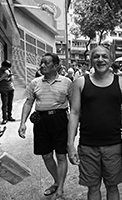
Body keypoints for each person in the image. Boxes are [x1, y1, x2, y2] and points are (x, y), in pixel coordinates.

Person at [67, 44, 122, 200]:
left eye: (104, 56)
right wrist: (70, 144)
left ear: (111, 60)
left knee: (112, 186)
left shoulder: (121, 82)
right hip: (88, 146)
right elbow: (74, 113)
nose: (100, 59)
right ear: (91, 60)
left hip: (113, 144)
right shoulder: (80, 83)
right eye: (96, 56)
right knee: (93, 187)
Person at [18, 53, 72, 199]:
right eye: (41, 63)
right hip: (41, 122)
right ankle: (57, 181)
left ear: (56, 66)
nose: (42, 66)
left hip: (60, 120)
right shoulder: (35, 82)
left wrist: (75, 127)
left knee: (61, 155)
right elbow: (29, 102)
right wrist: (22, 123)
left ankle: (59, 189)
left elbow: (74, 107)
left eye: (46, 63)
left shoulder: (67, 82)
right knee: (46, 155)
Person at [0, 60, 16, 125]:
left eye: (8, 68)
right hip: (3, 90)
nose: (7, 69)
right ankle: (4, 118)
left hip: (11, 88)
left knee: (10, 104)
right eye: (6, 68)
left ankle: (9, 116)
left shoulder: (9, 70)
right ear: (2, 66)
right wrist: (4, 76)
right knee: (5, 105)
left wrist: (11, 77)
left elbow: (12, 79)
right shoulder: (0, 71)